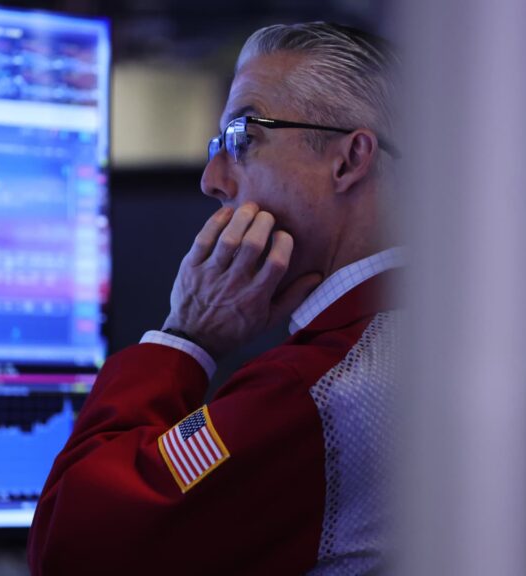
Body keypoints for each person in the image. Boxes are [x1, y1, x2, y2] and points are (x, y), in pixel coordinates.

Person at [27, 21, 402, 575]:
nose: (211, 179)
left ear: (348, 159)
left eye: (242, 137)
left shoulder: (317, 393)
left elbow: (71, 545)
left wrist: (184, 338)